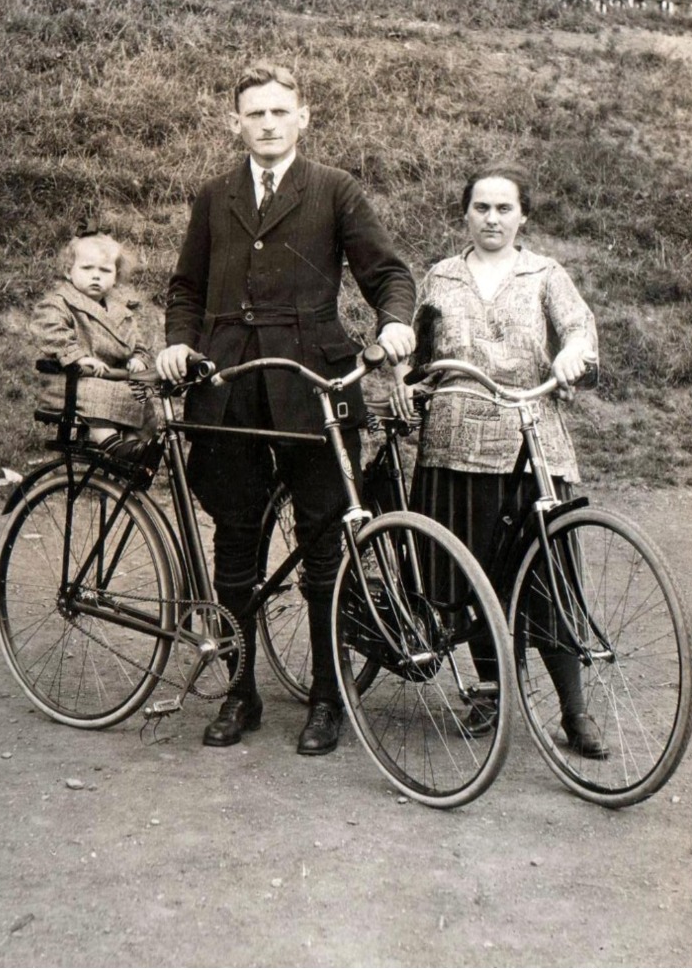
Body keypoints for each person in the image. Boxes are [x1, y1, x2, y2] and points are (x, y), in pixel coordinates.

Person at [156, 62, 416, 755]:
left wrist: (395, 323)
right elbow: (184, 286)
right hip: (229, 388)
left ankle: (328, 699)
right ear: (234, 122)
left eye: (279, 111)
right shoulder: (215, 196)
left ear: (304, 115)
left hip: (314, 391)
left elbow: (387, 274)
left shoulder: (334, 189)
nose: (267, 124)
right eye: (254, 113)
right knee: (234, 544)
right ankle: (239, 694)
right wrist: (178, 344)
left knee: (326, 550)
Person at [392, 164, 607, 758]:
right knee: (470, 574)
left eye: (503, 209)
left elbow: (579, 331)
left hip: (529, 441)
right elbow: (422, 356)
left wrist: (571, 357)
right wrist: (409, 386)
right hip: (454, 444)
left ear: (523, 217)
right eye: (481, 208)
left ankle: (574, 709)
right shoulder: (441, 277)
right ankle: (488, 688)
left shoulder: (546, 274)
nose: (491, 218)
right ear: (465, 214)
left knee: (548, 577)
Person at [31, 232, 153, 456]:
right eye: (87, 269)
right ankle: (116, 448)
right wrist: (78, 356)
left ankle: (135, 449)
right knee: (100, 394)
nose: (96, 276)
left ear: (115, 277)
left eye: (105, 270)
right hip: (72, 380)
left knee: (142, 396)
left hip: (110, 379)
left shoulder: (122, 312)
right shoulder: (59, 303)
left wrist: (138, 358)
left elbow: (138, 344)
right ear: (69, 271)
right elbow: (50, 330)